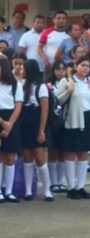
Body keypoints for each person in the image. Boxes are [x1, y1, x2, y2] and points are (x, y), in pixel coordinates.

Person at [55, 56, 90, 200]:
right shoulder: (67, 81)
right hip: (72, 119)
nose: (85, 68)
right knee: (71, 153)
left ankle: (81, 187)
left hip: (87, 119)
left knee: (83, 153)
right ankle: (71, 187)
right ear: (76, 65)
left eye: (88, 66)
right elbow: (57, 100)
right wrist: (69, 90)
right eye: (82, 65)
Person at [19, 59, 54, 201]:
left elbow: (44, 109)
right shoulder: (22, 85)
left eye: (24, 68)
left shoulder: (41, 87)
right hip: (25, 123)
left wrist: (41, 131)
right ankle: (28, 190)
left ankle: (47, 190)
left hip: (36, 122)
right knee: (27, 158)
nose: (21, 70)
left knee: (40, 158)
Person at [0, 55, 23, 202]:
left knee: (10, 157)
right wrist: (2, 123)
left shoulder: (15, 84)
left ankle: (8, 191)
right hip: (2, 119)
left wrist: (9, 125)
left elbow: (18, 105)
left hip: (11, 119)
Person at [47, 61, 68, 192]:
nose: (61, 71)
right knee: (53, 152)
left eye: (63, 69)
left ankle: (60, 182)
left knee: (63, 153)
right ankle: (53, 182)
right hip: (52, 121)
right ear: (53, 71)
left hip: (65, 120)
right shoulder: (48, 85)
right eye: (58, 69)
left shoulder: (69, 83)